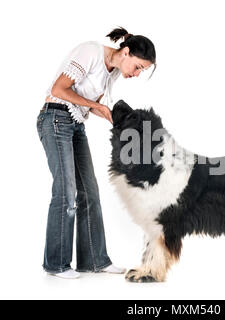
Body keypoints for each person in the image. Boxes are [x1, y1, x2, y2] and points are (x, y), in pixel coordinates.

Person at [36, 27, 156, 279]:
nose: (136, 74)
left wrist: (130, 127)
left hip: (75, 124)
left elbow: (101, 110)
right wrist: (97, 105)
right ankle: (56, 264)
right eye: (138, 67)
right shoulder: (90, 51)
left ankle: (94, 260)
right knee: (66, 193)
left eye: (142, 71)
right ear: (126, 52)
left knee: (90, 192)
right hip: (55, 118)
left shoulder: (112, 75)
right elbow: (59, 89)